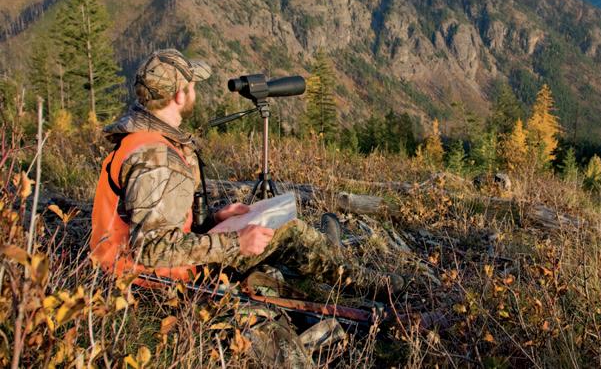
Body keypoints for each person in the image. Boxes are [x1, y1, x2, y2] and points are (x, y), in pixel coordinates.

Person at [89, 48, 401, 366]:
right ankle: (374, 287)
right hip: (155, 286)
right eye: (192, 85)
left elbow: (158, 222)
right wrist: (235, 243)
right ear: (180, 95)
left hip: (141, 272)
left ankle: (363, 282)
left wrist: (216, 218)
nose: (195, 91)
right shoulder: (157, 160)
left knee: (284, 229)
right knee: (280, 260)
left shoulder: (143, 139)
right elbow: (152, 249)